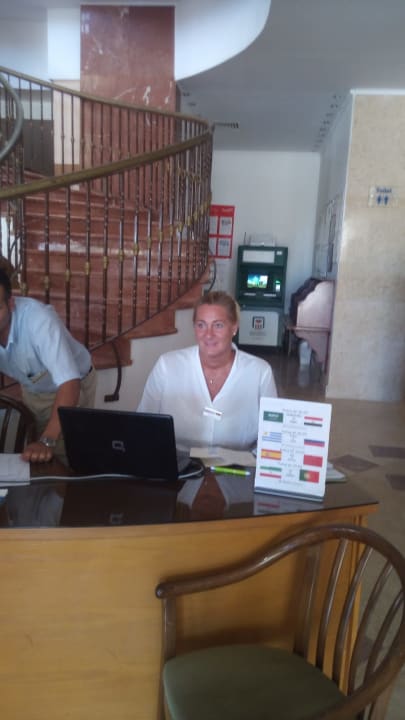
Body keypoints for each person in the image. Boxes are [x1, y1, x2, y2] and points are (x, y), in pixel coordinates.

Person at [137, 290, 277, 452]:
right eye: (201, 325)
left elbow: (272, 435)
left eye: (218, 325)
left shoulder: (260, 372)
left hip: (239, 464)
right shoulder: (167, 366)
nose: (208, 335)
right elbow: (143, 425)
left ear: (234, 328)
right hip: (177, 462)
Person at [0, 269, 97, 465]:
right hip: (32, 386)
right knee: (34, 454)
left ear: (10, 304)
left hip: (70, 386)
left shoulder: (39, 321)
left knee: (64, 458)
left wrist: (47, 441)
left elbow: (70, 383)